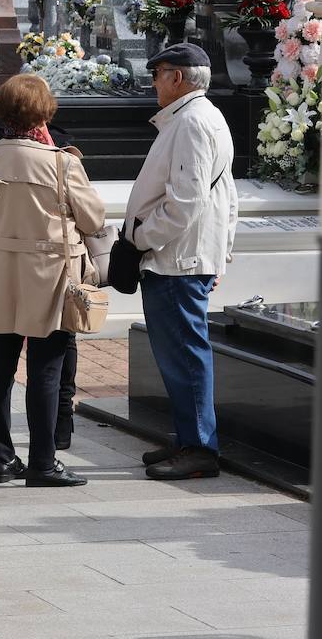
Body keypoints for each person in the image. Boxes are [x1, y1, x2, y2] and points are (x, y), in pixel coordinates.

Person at [0, 74, 104, 487]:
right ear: (43, 114)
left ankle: (2, 459)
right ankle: (43, 461)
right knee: (46, 369)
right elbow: (93, 219)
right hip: (50, 275)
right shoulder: (61, 162)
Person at [127, 43, 238, 480]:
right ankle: (189, 437)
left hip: (176, 258)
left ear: (177, 77)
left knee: (185, 355)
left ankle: (198, 448)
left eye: (158, 74)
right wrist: (222, 253)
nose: (153, 82)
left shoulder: (192, 122)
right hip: (184, 255)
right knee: (179, 353)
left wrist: (139, 237)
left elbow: (186, 202)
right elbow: (225, 196)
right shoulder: (199, 117)